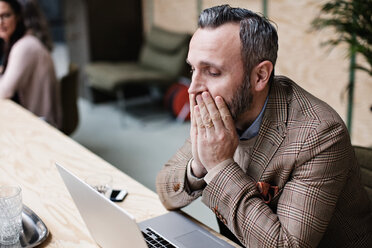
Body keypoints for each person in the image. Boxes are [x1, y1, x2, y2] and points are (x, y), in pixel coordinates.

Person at [156, 5, 372, 248]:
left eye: (212, 72)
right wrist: (198, 164)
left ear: (260, 76)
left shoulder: (319, 134)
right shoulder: (222, 109)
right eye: (193, 69)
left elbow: (286, 245)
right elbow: (166, 192)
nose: (192, 89)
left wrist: (218, 165)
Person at [0, 0, 61, 128]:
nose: (0, 22)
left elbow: (3, 92)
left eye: (5, 15)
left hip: (41, 125)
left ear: (18, 17)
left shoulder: (24, 47)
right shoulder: (21, 40)